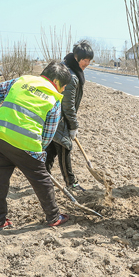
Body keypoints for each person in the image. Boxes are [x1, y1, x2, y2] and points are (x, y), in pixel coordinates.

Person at [0, 61, 73, 230]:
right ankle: (53, 216)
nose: (64, 90)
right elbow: (48, 134)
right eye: (64, 86)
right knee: (42, 179)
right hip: (26, 142)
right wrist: (38, 151)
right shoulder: (54, 98)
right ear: (57, 82)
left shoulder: (21, 81)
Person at [45, 40, 94, 191]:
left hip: (51, 116)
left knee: (51, 150)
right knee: (65, 147)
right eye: (85, 60)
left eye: (89, 60)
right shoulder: (71, 77)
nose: (87, 63)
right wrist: (73, 126)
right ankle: (71, 183)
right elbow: (68, 105)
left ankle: (43, 177)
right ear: (76, 58)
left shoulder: (65, 66)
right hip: (60, 118)